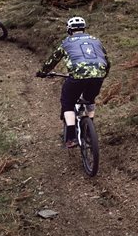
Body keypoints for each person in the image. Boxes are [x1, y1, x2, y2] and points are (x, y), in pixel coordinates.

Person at [36, 17, 111, 148]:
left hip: (78, 75)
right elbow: (107, 60)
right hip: (99, 73)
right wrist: (103, 75)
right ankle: (89, 131)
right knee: (89, 100)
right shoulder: (96, 40)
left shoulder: (66, 42)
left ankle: (71, 138)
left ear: (69, 30)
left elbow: (52, 60)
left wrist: (43, 72)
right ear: (84, 28)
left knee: (68, 102)